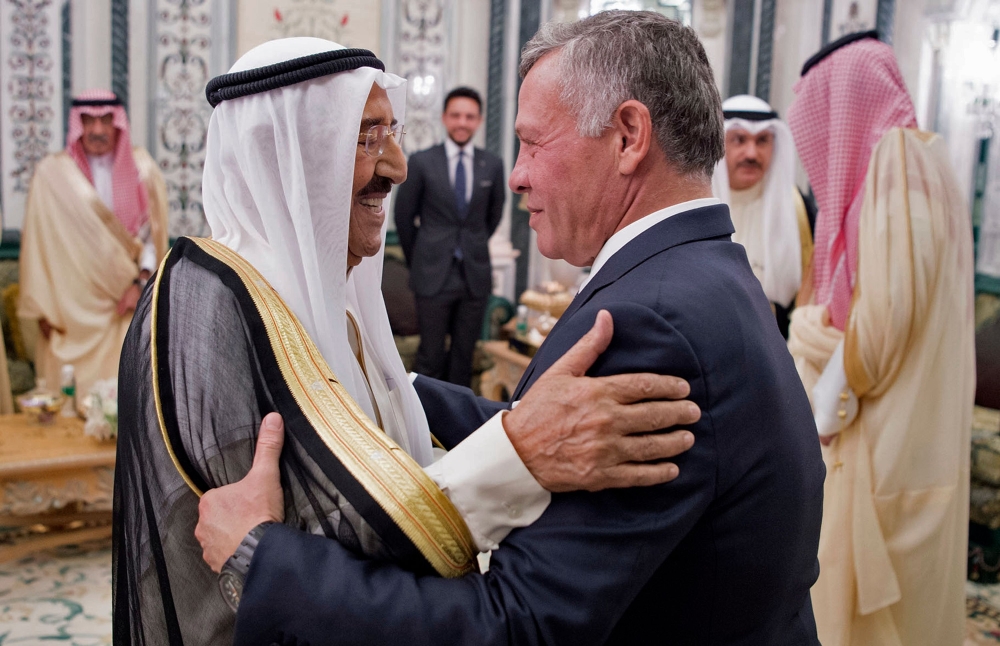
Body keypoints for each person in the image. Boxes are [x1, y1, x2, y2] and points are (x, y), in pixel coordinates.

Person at [196, 12, 825, 645]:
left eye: (532, 142)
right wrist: (384, 383)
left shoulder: (650, 325)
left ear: (629, 136)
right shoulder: (699, 268)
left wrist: (264, 561)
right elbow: (555, 421)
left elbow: (517, 624)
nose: (518, 173)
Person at [113, 37, 699, 645]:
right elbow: (285, 543)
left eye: (392, 134)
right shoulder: (202, 301)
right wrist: (515, 452)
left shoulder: (315, 294)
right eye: (366, 138)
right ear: (288, 153)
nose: (397, 166)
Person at [786, 31, 974, 646]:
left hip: (880, 427)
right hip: (908, 425)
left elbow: (885, 317)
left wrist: (825, 401)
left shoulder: (897, 158)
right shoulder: (931, 160)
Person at [18, 90, 167, 410]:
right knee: (67, 405)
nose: (98, 130)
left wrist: (140, 284)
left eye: (105, 120)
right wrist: (44, 308)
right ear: (77, 124)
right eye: (88, 121)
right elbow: (39, 247)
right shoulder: (52, 175)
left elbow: (151, 237)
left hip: (123, 301)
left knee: (124, 400)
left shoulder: (142, 169)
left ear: (118, 124)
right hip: (70, 308)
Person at [394, 87, 505, 387]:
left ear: (479, 121)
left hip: (474, 276)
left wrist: (473, 245)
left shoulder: (492, 165)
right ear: (444, 118)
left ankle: (458, 431)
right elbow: (403, 218)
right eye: (456, 115)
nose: (462, 122)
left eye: (469, 116)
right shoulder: (421, 161)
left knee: (464, 356)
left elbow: (492, 217)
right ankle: (426, 431)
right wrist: (420, 257)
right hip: (432, 274)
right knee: (430, 356)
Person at [711, 94, 815, 337]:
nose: (751, 154)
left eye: (762, 141)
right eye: (739, 140)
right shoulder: (695, 204)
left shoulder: (798, 209)